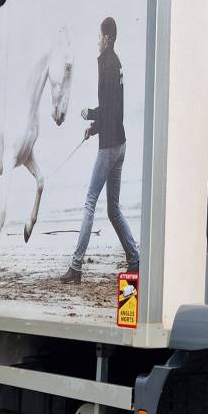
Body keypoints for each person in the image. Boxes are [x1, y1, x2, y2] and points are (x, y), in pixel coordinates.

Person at [60, 17, 140, 283]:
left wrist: (88, 115)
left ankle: (76, 267)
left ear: (107, 38)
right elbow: (115, 110)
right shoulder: (116, 64)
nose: (97, 40)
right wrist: (94, 127)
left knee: (90, 202)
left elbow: (107, 109)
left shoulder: (107, 64)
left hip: (109, 148)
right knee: (113, 209)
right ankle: (135, 259)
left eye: (99, 36)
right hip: (121, 144)